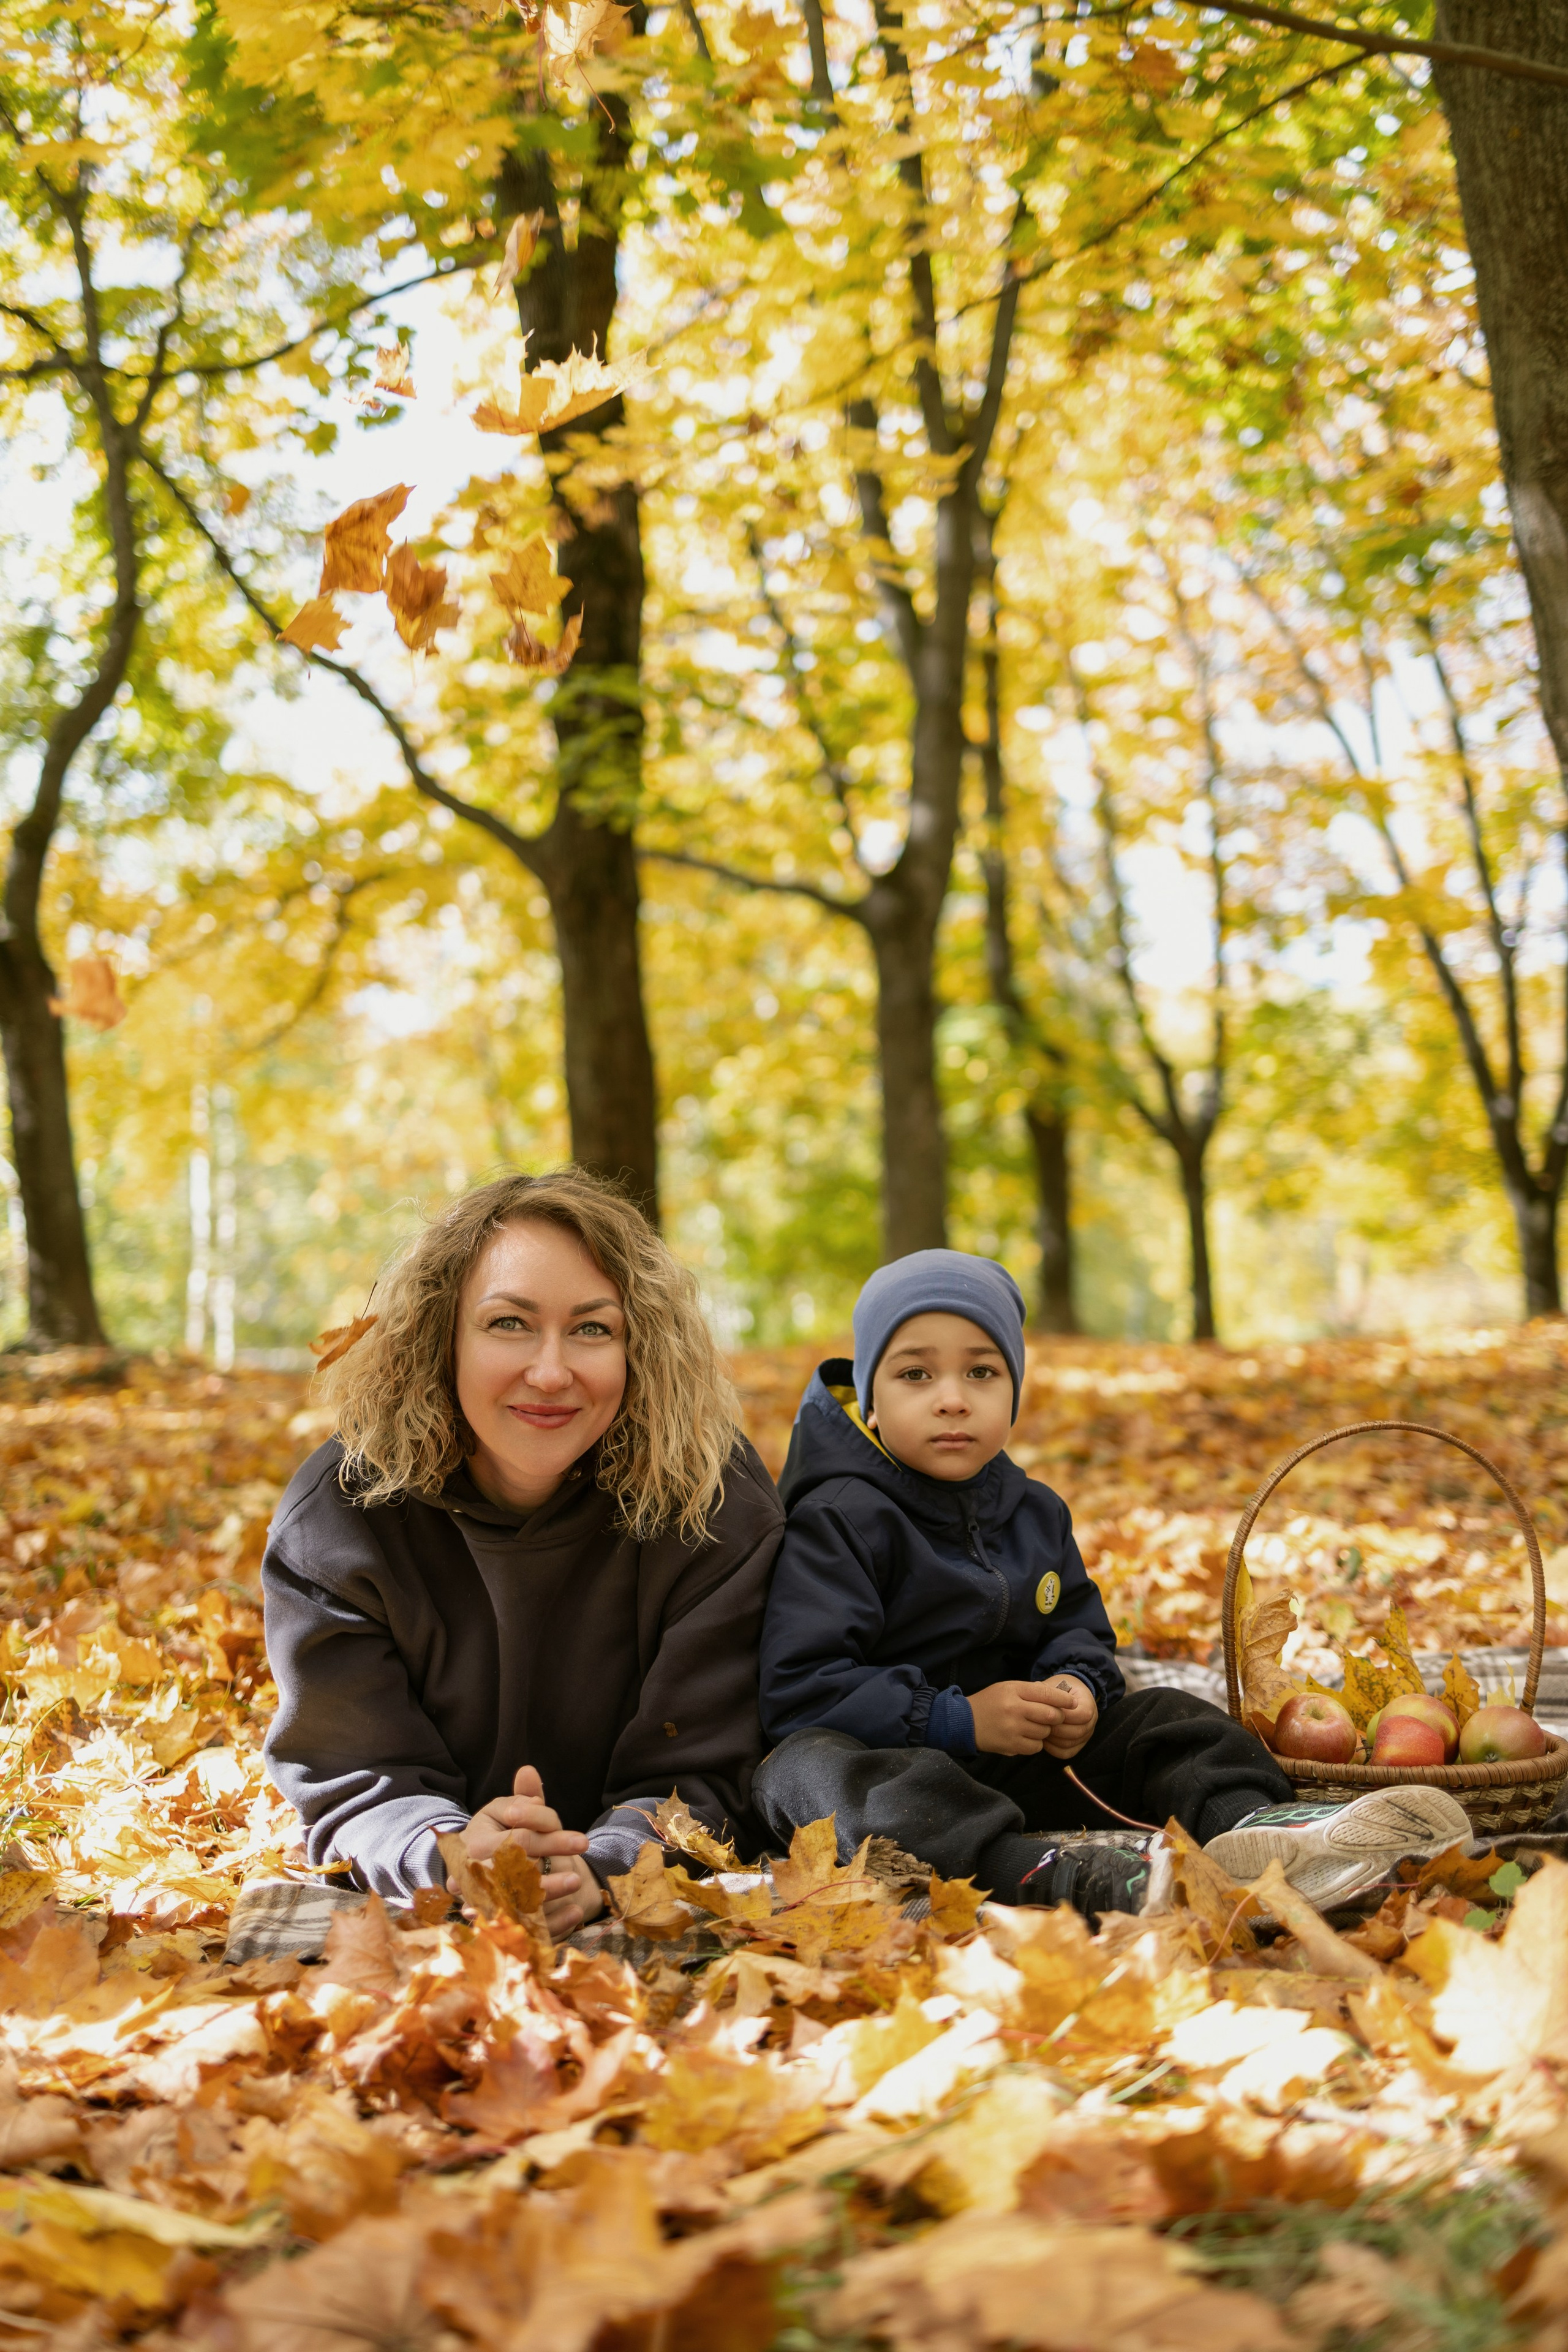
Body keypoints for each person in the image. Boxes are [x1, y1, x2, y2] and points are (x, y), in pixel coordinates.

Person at [755, 1249, 1471, 1922]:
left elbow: (1078, 1628)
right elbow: (803, 1687)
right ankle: (1039, 1871)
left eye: (981, 1373)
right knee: (806, 1772)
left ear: (1012, 1391)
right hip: (904, 1770)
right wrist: (954, 1718)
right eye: (915, 1375)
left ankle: (1261, 1832)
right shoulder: (839, 1518)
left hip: (1029, 1764)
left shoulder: (1033, 1510)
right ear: (871, 1401)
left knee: (1170, 1715)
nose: (951, 1399)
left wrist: (1077, 1686)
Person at [262, 1169, 783, 1937]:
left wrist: (615, 1864)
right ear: (443, 1337)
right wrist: (441, 1854)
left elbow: (714, 1761)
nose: (550, 1371)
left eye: (592, 1328)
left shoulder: (713, 1501)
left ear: (640, 1348)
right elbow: (352, 1768)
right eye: (509, 1323)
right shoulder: (340, 1518)